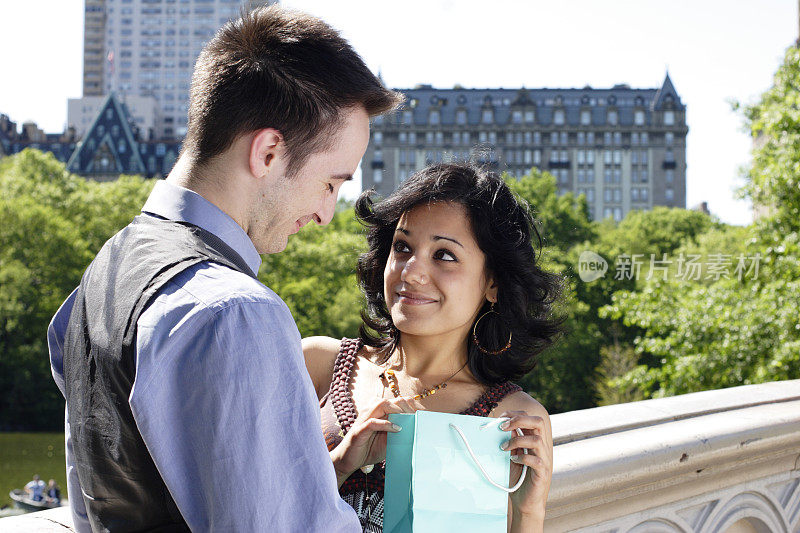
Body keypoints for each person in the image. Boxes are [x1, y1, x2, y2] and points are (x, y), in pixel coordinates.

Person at [47, 5, 401, 532]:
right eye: (331, 183)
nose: (328, 214)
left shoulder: (101, 276)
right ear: (269, 152)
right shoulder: (234, 313)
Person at [303, 163, 563, 533]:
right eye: (402, 247)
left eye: (443, 255)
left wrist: (529, 513)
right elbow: (251, 502)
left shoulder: (511, 420)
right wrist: (341, 464)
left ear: (493, 284)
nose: (410, 271)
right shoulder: (317, 365)